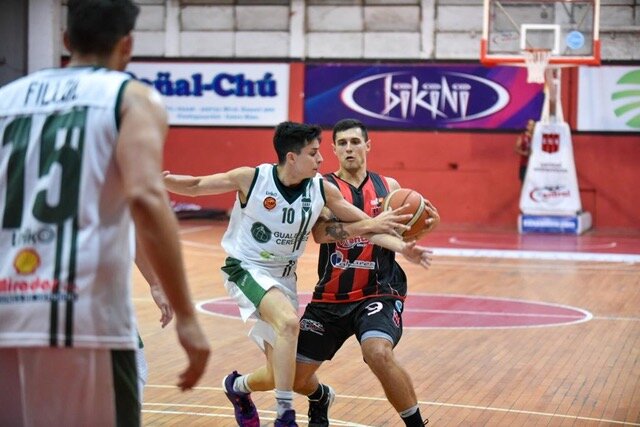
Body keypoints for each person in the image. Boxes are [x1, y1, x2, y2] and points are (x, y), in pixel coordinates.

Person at [0, 1, 210, 426]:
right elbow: (146, 200)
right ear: (127, 44)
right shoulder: (131, 98)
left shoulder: (6, 100)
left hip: (6, 311)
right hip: (84, 316)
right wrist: (187, 316)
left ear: (66, 40)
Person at [163, 121, 434, 427]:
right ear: (292, 157)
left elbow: (374, 227)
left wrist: (404, 245)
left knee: (286, 372)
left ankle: (246, 389)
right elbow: (197, 185)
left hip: (298, 280)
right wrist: (161, 182)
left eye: (352, 143)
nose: (322, 158)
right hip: (256, 270)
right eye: (315, 152)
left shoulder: (326, 188)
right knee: (289, 334)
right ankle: (284, 413)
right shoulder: (255, 178)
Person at [293, 118, 440, 427]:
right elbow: (321, 233)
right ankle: (320, 396)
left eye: (355, 142)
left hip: (379, 291)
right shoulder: (324, 187)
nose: (349, 148)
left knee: (377, 352)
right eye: (342, 143)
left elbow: (402, 236)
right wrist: (368, 225)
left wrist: (425, 229)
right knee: (295, 378)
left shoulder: (391, 189)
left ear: (367, 145)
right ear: (334, 149)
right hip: (331, 295)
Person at [515, 119, 536, 183]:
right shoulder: (522, 136)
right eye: (530, 125)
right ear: (527, 126)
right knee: (524, 183)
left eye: (533, 125)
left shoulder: (537, 137)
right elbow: (516, 149)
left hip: (534, 165)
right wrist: (524, 153)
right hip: (525, 165)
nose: (531, 127)